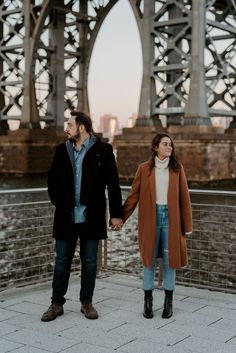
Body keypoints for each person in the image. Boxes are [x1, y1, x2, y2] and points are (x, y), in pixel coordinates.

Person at [41, 111, 123, 322]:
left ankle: (86, 302)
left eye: (69, 124)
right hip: (65, 216)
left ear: (82, 127)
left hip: (91, 217)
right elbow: (52, 181)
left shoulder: (104, 150)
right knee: (61, 262)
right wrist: (59, 201)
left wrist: (116, 215)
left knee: (89, 262)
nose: (66, 128)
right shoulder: (61, 150)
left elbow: (113, 184)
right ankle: (56, 303)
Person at [122, 132, 192, 319]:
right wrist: (120, 218)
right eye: (165, 144)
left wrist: (187, 225)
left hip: (172, 219)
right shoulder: (144, 169)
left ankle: (169, 302)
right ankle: (148, 301)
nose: (169, 147)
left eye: (171, 144)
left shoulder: (177, 169)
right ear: (155, 147)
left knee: (171, 262)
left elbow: (184, 198)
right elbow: (134, 196)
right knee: (148, 261)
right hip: (150, 220)